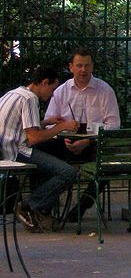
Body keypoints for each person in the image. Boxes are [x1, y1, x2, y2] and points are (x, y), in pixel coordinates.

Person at [40, 47, 121, 219]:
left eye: (87, 65)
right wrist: (63, 138)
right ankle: (43, 207)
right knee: (41, 152)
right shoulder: (61, 91)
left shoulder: (105, 90)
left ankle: (82, 206)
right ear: (71, 67)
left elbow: (114, 125)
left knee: (107, 163)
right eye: (79, 65)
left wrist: (89, 141)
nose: (83, 70)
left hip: (94, 142)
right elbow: (49, 123)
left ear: (92, 66)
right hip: (65, 141)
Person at [0, 65, 79, 232]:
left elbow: (23, 127)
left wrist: (46, 122)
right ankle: (29, 205)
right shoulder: (30, 99)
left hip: (6, 147)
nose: (52, 94)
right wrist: (62, 126)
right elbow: (34, 138)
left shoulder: (14, 93)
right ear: (44, 82)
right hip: (15, 152)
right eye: (52, 88)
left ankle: (39, 211)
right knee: (68, 172)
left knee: (49, 156)